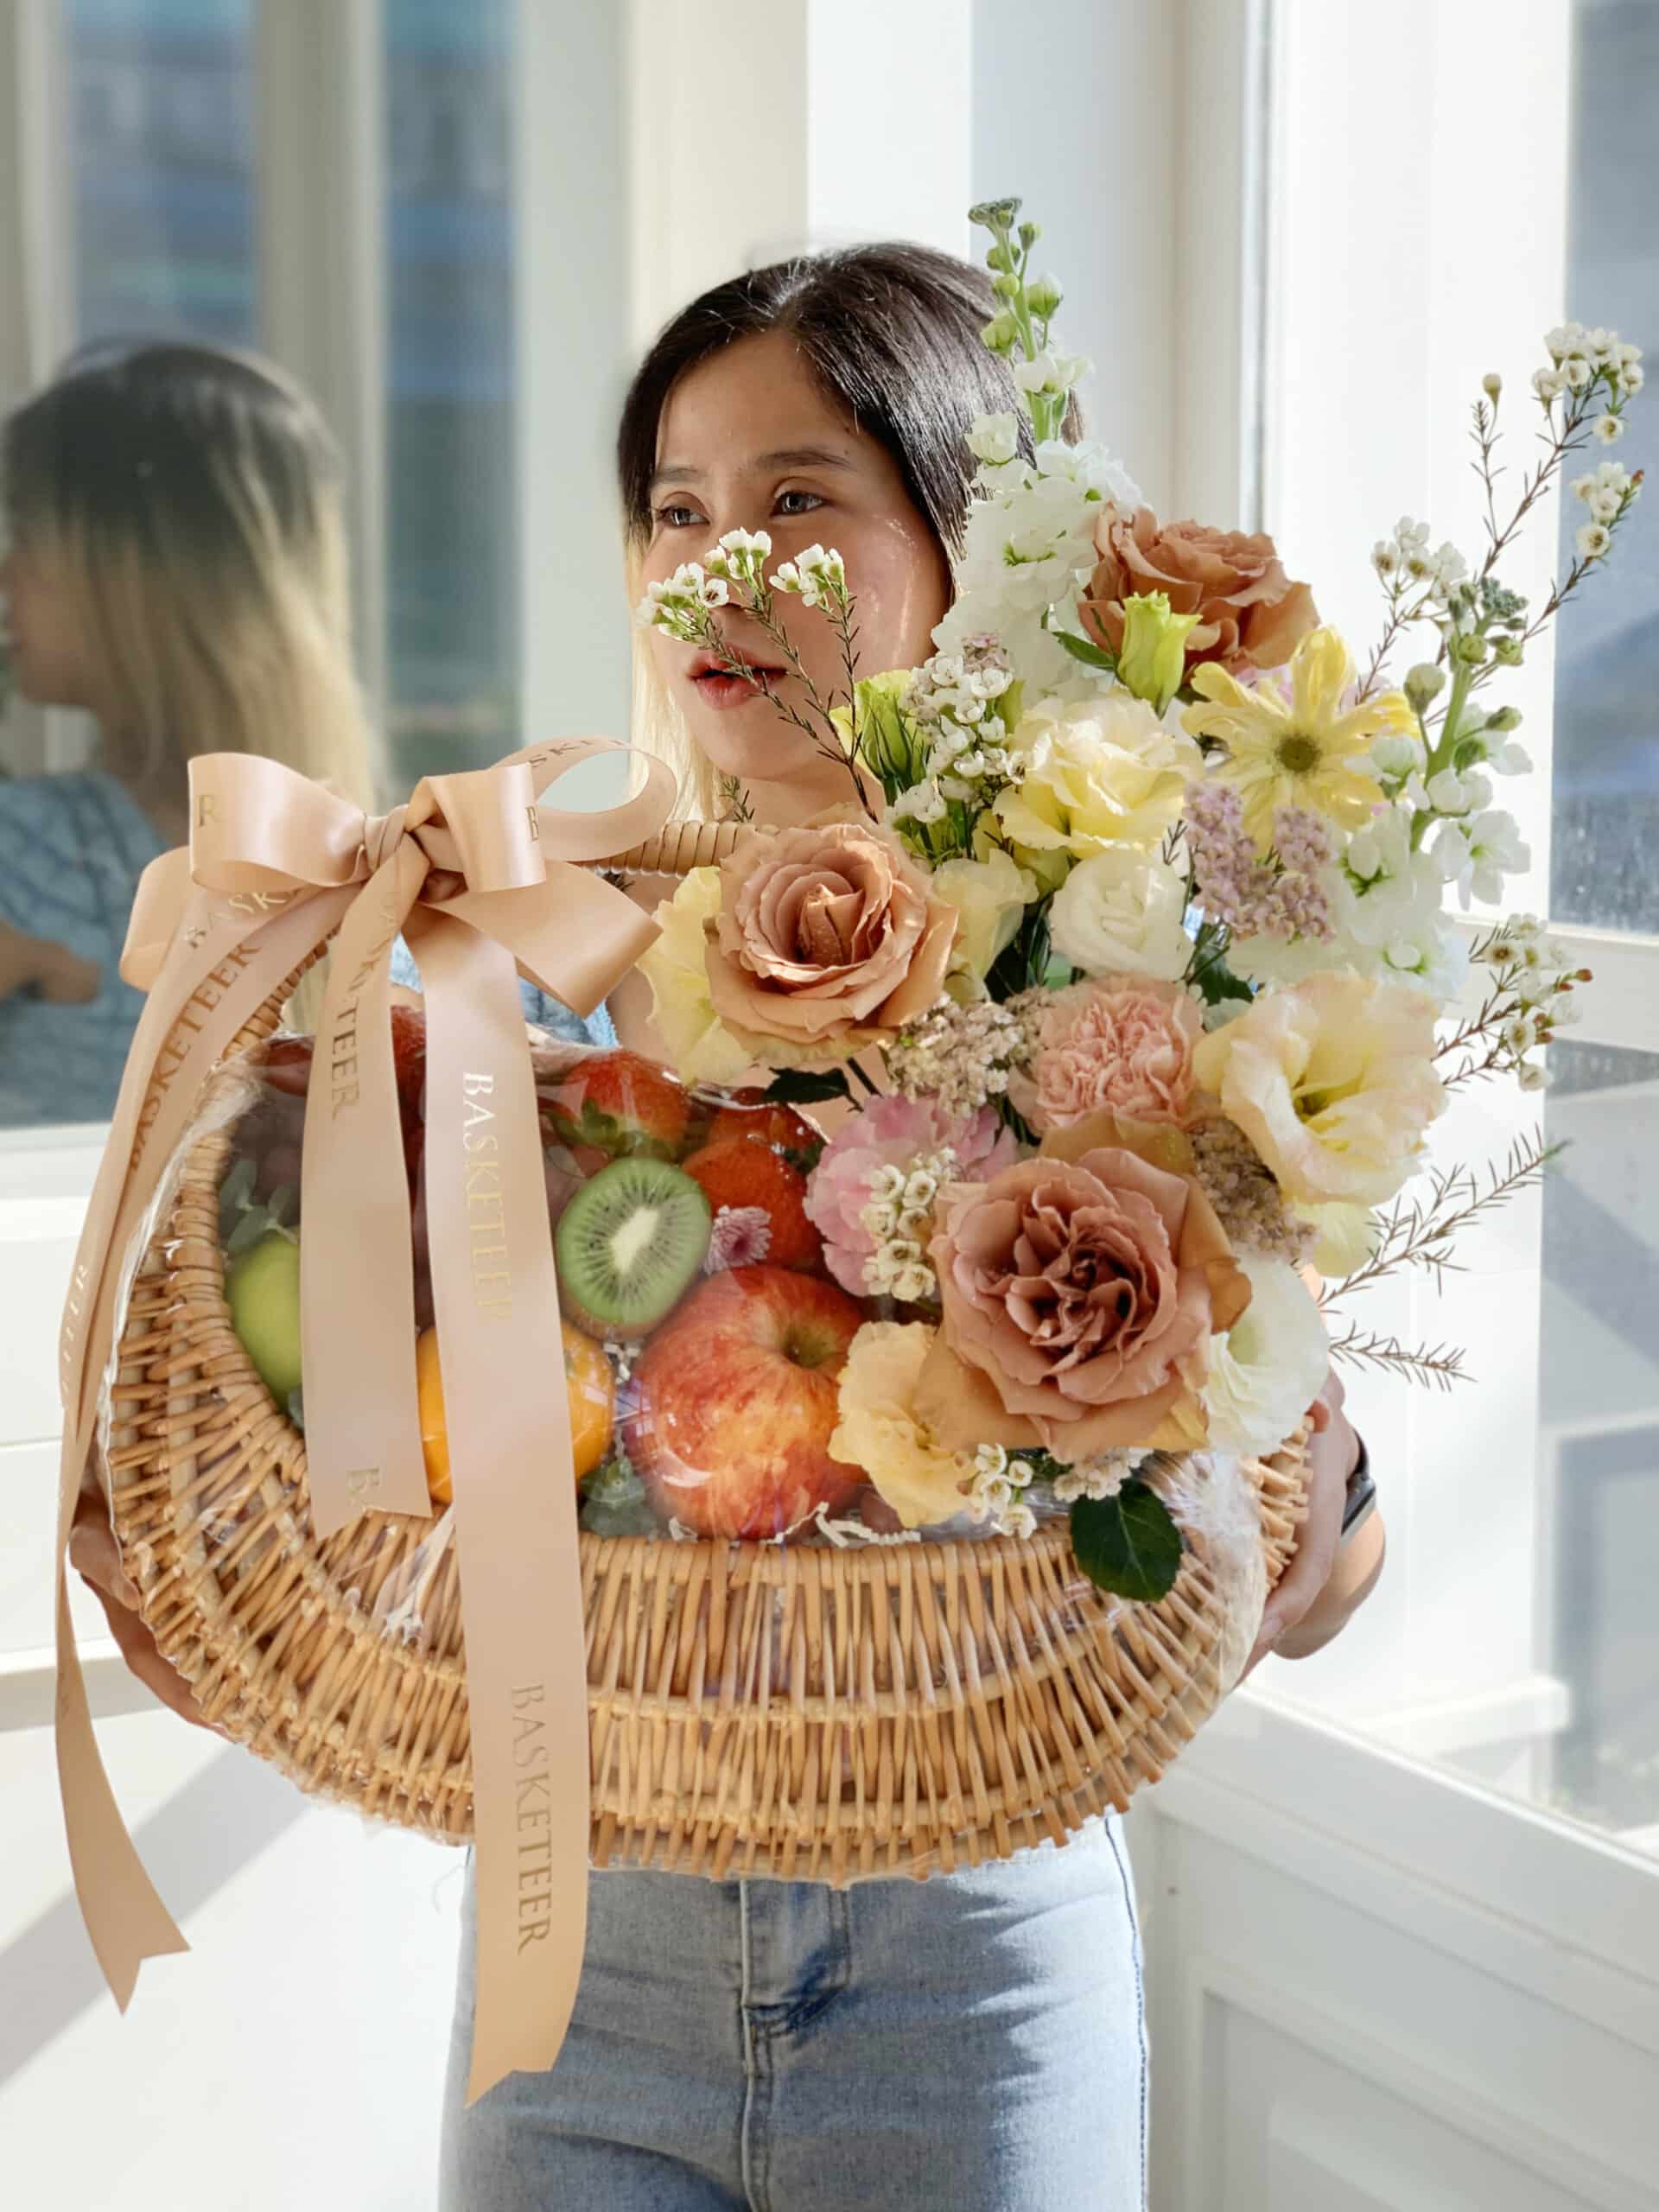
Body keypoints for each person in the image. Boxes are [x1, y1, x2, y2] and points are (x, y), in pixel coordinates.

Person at [438, 244, 1387, 2211]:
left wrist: (1265, 1476)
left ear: (962, 541)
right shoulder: (520, 964)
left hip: (971, 1964)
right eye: (678, 511)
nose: (719, 559)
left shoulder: (1097, 980)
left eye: (799, 497)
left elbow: (1331, 1549)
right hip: (579, 1959)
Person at [0, 340, 380, 1126]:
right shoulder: (386, 876)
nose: (5, 574)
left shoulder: (27, 855)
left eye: (27, 539)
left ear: (141, 577)